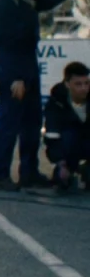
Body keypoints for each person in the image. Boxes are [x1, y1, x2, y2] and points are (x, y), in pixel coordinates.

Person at [0, 0, 76, 192]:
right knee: (9, 122)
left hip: (28, 67)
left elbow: (49, 1)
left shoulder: (26, 0)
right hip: (14, 69)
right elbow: (7, 41)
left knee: (31, 123)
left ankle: (28, 171)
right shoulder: (5, 4)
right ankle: (0, 175)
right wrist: (16, 77)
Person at [44, 61, 90, 193]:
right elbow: (52, 137)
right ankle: (66, 171)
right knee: (68, 136)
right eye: (78, 84)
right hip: (68, 146)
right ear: (67, 84)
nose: (83, 88)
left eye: (86, 83)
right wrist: (61, 163)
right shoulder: (56, 104)